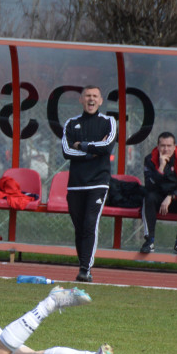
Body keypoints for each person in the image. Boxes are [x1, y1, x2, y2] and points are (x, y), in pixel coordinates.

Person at [61, 85, 117, 283]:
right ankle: (82, 263)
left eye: (95, 96)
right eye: (87, 96)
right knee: (79, 227)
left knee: (90, 224)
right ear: (81, 100)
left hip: (98, 183)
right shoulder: (71, 123)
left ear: (101, 100)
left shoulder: (109, 122)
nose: (91, 100)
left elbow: (107, 146)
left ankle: (86, 269)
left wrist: (82, 146)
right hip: (76, 184)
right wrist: (92, 152)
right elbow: (67, 151)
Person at [139, 132, 177, 258]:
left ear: (175, 146)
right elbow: (149, 186)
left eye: (169, 146)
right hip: (158, 199)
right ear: (158, 146)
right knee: (148, 196)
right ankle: (150, 240)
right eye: (163, 146)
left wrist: (172, 196)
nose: (166, 149)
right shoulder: (150, 159)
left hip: (176, 199)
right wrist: (161, 167)